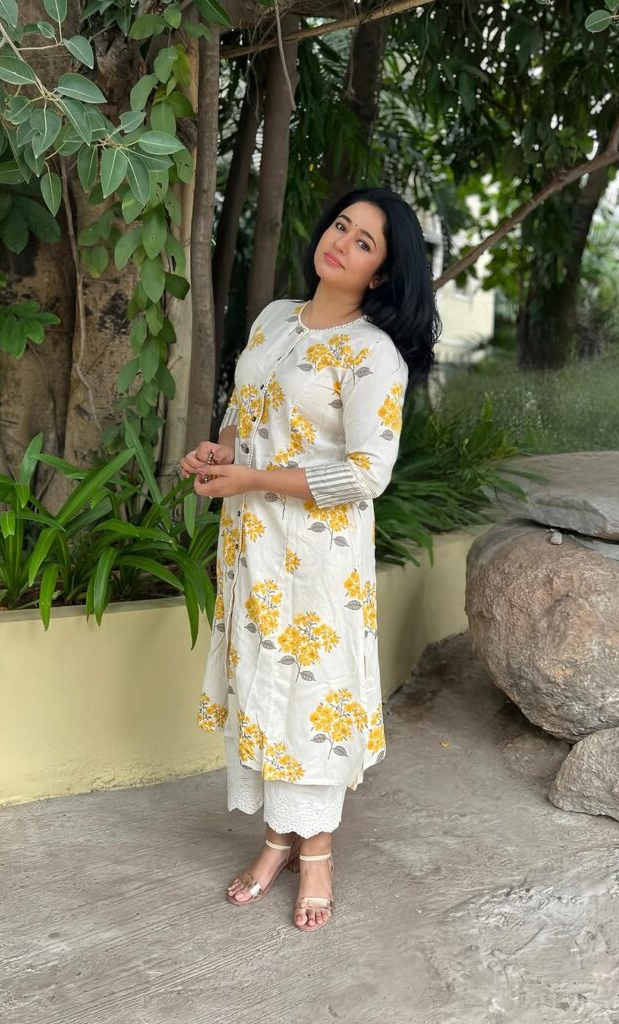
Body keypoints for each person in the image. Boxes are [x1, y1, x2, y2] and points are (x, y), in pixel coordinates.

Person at [180, 186, 440, 932]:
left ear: (381, 272)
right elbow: (244, 414)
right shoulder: (272, 320)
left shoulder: (372, 355)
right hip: (252, 549)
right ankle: (276, 842)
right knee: (263, 689)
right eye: (341, 226)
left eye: (364, 242)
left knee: (311, 698)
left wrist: (255, 479)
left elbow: (367, 473)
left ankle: (315, 854)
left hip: (319, 560)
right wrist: (220, 453)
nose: (342, 242)